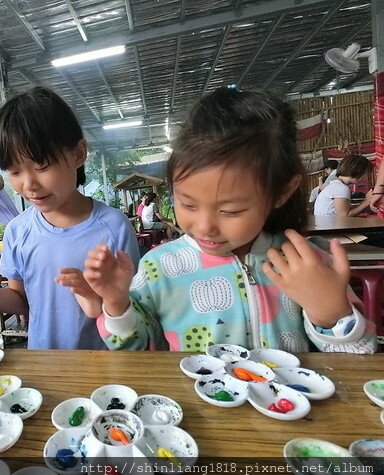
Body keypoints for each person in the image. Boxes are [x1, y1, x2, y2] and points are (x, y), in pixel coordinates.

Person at [81, 87, 377, 354]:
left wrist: (330, 312)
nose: (205, 226)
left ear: (281, 192)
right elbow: (141, 350)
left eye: (231, 211)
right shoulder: (159, 268)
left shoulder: (304, 263)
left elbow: (358, 360)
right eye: (187, 203)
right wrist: (117, 303)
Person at [0, 87, 140, 350]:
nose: (29, 184)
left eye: (42, 167)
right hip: (44, 366)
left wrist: (97, 298)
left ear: (78, 154)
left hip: (107, 371)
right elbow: (20, 300)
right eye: (15, 171)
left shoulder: (113, 227)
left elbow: (135, 307)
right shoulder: (18, 231)